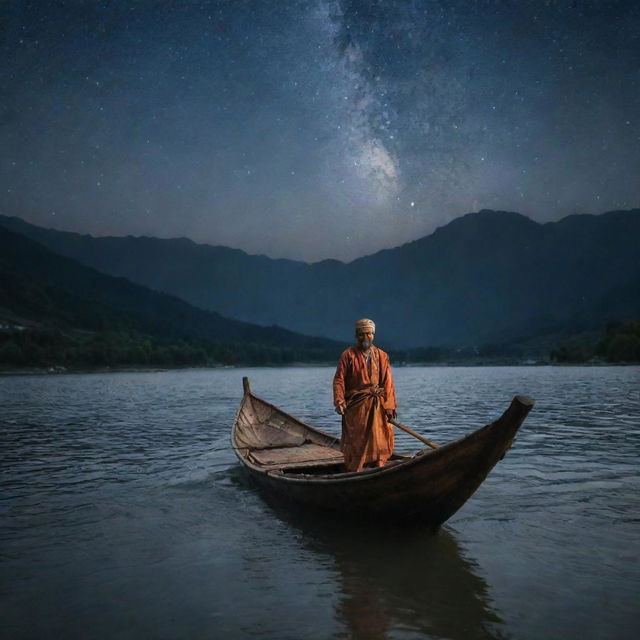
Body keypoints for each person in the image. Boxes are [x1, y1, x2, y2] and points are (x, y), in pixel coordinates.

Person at [333, 318, 397, 472]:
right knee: (357, 439)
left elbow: (387, 383)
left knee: (380, 437)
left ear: (373, 335)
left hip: (377, 404)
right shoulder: (348, 355)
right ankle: (357, 468)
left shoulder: (382, 356)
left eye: (369, 333)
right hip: (356, 405)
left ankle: (379, 464)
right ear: (356, 336)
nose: (365, 337)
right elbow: (339, 380)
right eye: (361, 334)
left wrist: (389, 406)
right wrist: (339, 400)